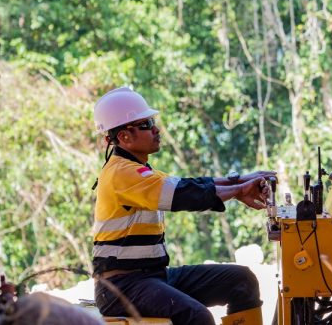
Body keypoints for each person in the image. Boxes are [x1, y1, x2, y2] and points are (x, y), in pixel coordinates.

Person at [91, 87, 273, 325]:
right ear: (124, 137)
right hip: (121, 287)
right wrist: (239, 189)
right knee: (196, 317)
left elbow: (187, 184)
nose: (156, 129)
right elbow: (183, 194)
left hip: (152, 277)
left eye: (152, 121)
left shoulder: (138, 170)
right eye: (146, 124)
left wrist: (239, 181)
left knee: (241, 280)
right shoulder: (121, 173)